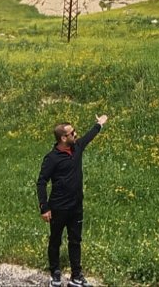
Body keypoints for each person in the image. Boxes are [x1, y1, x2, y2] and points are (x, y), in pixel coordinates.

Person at [37, 114, 108, 287]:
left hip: (76, 206)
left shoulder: (77, 148)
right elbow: (41, 182)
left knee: (75, 241)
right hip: (58, 207)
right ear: (63, 138)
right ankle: (55, 273)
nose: (76, 135)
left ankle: (76, 276)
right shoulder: (52, 158)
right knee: (55, 240)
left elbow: (89, 137)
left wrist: (99, 124)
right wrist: (44, 208)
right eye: (72, 133)